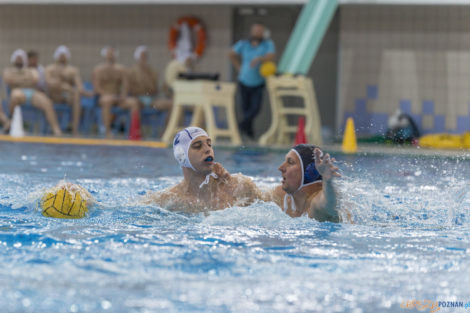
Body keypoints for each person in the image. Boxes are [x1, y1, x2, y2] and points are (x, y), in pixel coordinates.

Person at [142, 126, 262, 212]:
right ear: (181, 156)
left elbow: (275, 201)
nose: (207, 149)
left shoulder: (240, 186)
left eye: (209, 144)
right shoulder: (171, 199)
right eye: (197, 146)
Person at [266, 144, 342, 222]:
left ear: (309, 173)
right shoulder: (282, 195)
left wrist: (327, 181)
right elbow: (257, 198)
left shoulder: (315, 206)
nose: (281, 168)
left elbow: (329, 204)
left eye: (290, 162)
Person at [229, 23, 275, 139]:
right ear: (251, 32)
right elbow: (231, 54)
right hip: (244, 80)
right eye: (255, 31)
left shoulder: (267, 44)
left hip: (258, 82)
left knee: (255, 109)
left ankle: (240, 126)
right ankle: (250, 134)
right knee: (245, 109)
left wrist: (260, 58)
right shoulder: (243, 44)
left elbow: (270, 56)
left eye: (260, 31)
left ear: (263, 33)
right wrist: (238, 67)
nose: (257, 33)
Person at [3, 49, 61, 136]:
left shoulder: (31, 70)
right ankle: (10, 122)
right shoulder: (8, 70)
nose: (19, 60)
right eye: (18, 58)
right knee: (15, 96)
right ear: (14, 59)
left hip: (33, 93)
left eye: (21, 58)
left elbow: (35, 79)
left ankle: (56, 130)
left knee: (47, 103)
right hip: (18, 92)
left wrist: (17, 80)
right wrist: (26, 79)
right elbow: (8, 79)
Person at [92, 46, 139, 138]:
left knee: (134, 102)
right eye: (109, 54)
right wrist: (107, 95)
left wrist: (123, 95)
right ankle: (108, 131)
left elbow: (126, 85)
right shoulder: (98, 69)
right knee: (107, 100)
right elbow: (97, 88)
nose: (111, 56)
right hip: (104, 97)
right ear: (105, 55)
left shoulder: (121, 69)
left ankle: (134, 132)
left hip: (118, 98)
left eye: (112, 54)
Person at [45, 45, 89, 136]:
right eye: (60, 55)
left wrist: (82, 91)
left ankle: (75, 129)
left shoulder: (72, 70)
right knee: (61, 86)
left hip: (67, 96)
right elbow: (50, 83)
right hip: (54, 96)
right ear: (56, 56)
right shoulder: (50, 69)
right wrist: (67, 86)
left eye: (64, 55)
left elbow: (79, 85)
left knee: (77, 95)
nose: (62, 57)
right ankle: (56, 129)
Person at [128, 45, 172, 112]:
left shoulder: (152, 71)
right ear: (138, 57)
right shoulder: (132, 71)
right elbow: (131, 90)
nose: (144, 58)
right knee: (135, 104)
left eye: (145, 56)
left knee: (171, 104)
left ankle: (168, 122)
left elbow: (154, 89)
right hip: (138, 99)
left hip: (151, 100)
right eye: (142, 56)